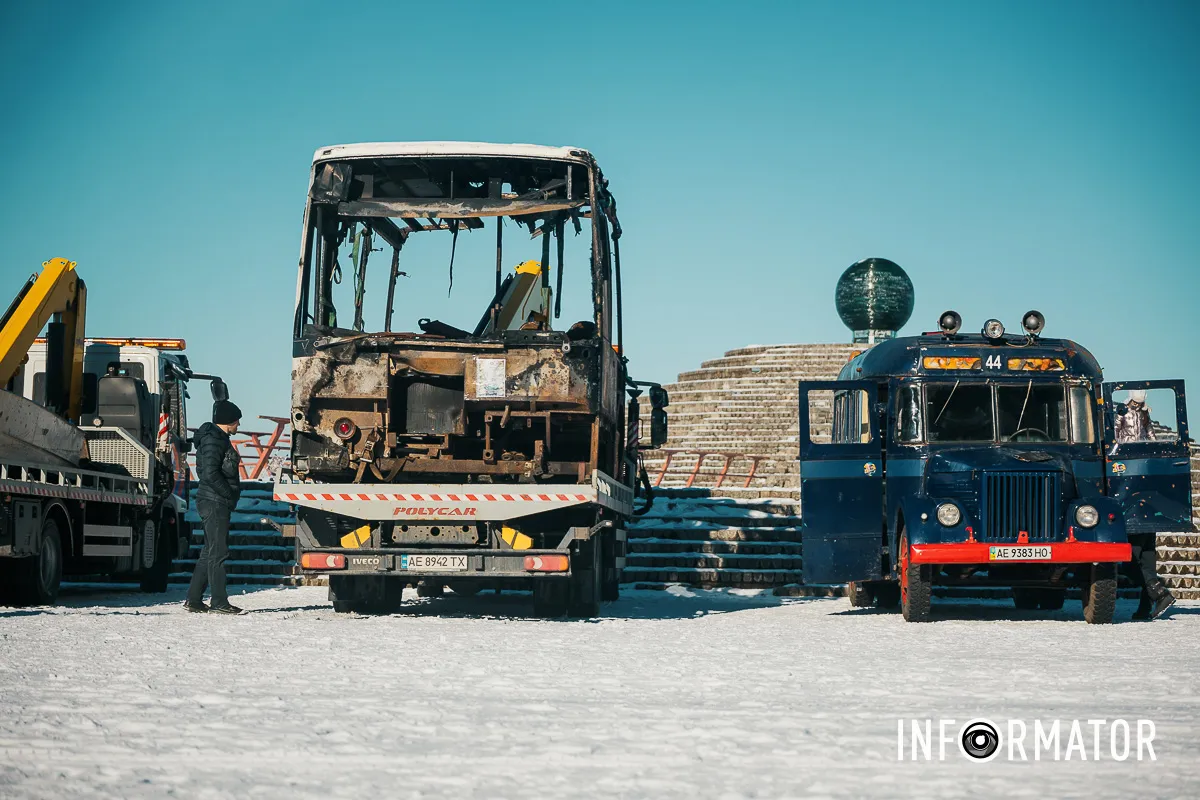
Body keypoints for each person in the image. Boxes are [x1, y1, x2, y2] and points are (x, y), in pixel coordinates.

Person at [184, 400, 244, 614]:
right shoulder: (214, 440)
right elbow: (209, 473)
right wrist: (228, 494)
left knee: (209, 552)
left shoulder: (217, 438)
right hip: (214, 502)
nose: (238, 425)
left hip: (213, 501)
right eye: (237, 421)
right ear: (229, 421)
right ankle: (219, 602)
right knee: (219, 553)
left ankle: (194, 600)